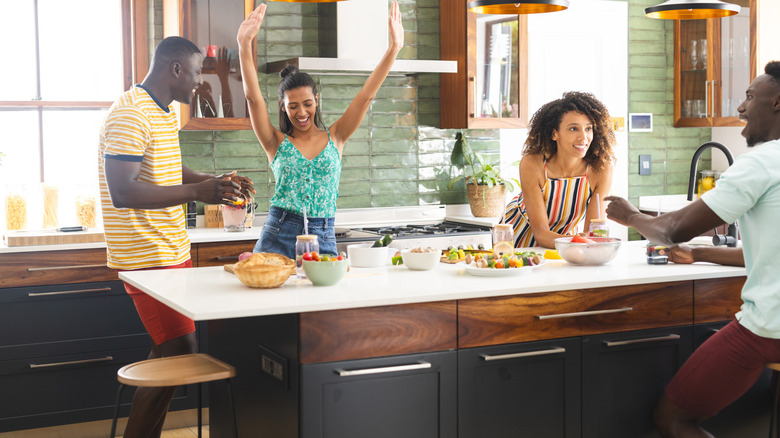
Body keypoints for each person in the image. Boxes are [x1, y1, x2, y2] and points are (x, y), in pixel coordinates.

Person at [605, 60, 780, 438]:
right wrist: (700, 254)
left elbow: (670, 230)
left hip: (771, 330)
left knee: (672, 419)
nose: (741, 107)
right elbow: (768, 254)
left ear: (778, 102)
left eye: (750, 96)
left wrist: (631, 215)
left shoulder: (763, 163)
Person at [98, 36, 254, 438]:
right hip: (146, 260)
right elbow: (124, 192)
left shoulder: (163, 112)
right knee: (181, 354)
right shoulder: (129, 114)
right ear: (176, 70)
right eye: (198, 73)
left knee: (167, 354)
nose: (200, 83)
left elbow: (168, 167)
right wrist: (197, 193)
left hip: (172, 252)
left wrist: (213, 180)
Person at [236, 1, 404, 259]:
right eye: (292, 106)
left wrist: (394, 48)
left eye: (307, 104)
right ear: (283, 108)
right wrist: (243, 44)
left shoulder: (336, 136)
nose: (301, 113)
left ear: (317, 100)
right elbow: (253, 99)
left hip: (323, 234)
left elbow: (365, 97)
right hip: (279, 233)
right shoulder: (274, 142)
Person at [500, 91, 616, 248]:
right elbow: (541, 234)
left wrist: (584, 239)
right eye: (573, 129)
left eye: (588, 129)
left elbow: (593, 233)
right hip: (518, 238)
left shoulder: (601, 170)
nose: (583, 137)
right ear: (555, 134)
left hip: (563, 242)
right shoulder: (533, 165)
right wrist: (578, 241)